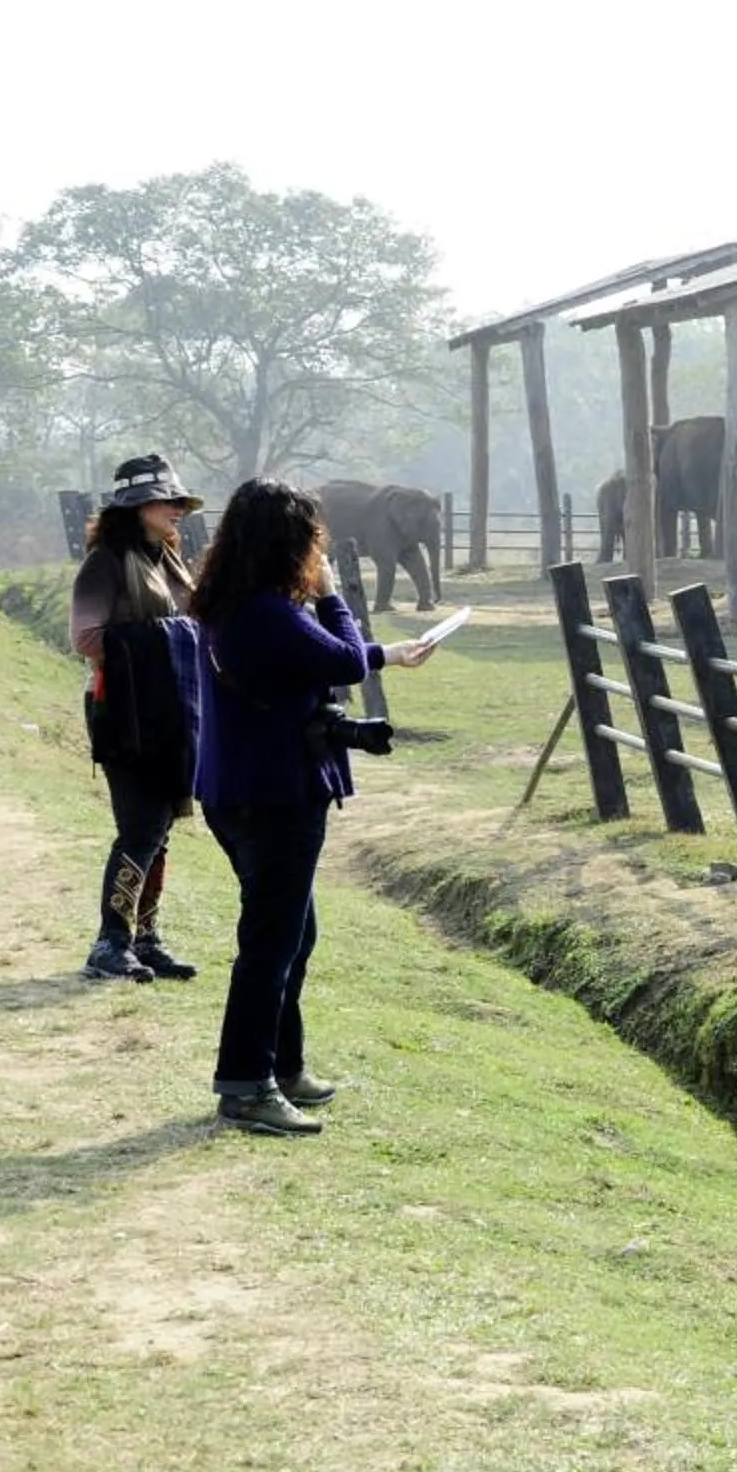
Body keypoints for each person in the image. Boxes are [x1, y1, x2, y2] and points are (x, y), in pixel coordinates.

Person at [189, 478, 440, 1137]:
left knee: (292, 935)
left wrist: (392, 652)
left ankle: (283, 1064)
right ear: (290, 544)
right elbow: (345, 662)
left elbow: (314, 661)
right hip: (276, 795)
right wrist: (332, 596)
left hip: (234, 790)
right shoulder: (273, 611)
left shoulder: (227, 605)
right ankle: (246, 1084)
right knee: (270, 944)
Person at [70, 454, 206, 982]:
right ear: (136, 507)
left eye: (179, 501)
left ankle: (144, 939)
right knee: (140, 826)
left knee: (161, 827)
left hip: (170, 709)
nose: (178, 509)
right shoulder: (104, 562)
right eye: (168, 501)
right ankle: (109, 943)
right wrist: (167, 643)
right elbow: (86, 638)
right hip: (123, 710)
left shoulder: (167, 558)